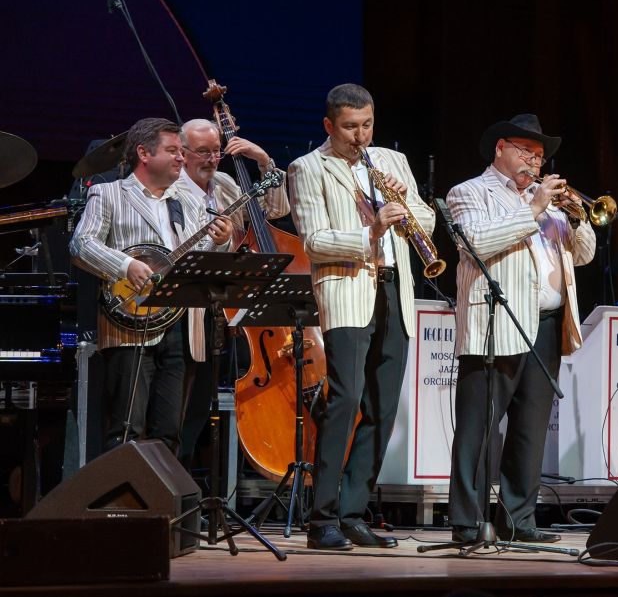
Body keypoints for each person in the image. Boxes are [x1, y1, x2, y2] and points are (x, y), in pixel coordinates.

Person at [287, 84, 435, 550]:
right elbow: (314, 241)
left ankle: (352, 513)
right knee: (346, 400)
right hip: (347, 290)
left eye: (367, 125)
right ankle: (322, 518)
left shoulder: (393, 161)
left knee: (382, 408)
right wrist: (372, 229)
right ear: (329, 125)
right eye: (350, 127)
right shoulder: (308, 167)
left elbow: (427, 222)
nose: (361, 136)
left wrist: (405, 206)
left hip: (395, 289)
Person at [446, 114, 596, 544]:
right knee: (478, 426)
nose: (535, 161)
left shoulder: (548, 202)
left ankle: (518, 520)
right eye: (527, 151)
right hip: (496, 323)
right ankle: (467, 522)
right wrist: (533, 209)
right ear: (500, 149)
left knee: (530, 429)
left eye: (540, 155)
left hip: (546, 325)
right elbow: (473, 242)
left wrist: (578, 218)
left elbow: (583, 255)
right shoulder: (469, 192)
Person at [70, 117, 232, 454]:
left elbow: (199, 261)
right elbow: (81, 245)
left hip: (182, 327)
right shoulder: (109, 194)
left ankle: (164, 490)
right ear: (144, 154)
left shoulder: (191, 201)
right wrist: (125, 265)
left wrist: (221, 243)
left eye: (181, 151)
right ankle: (121, 490)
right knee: (126, 429)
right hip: (128, 323)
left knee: (170, 432)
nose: (181, 158)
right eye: (173, 151)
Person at [173, 118, 290, 469]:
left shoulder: (224, 183)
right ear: (182, 152)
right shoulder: (171, 189)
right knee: (179, 403)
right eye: (203, 152)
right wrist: (221, 242)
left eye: (216, 151)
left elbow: (276, 210)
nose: (212, 159)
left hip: (224, 311)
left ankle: (185, 475)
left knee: (200, 406)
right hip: (186, 310)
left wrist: (264, 161)